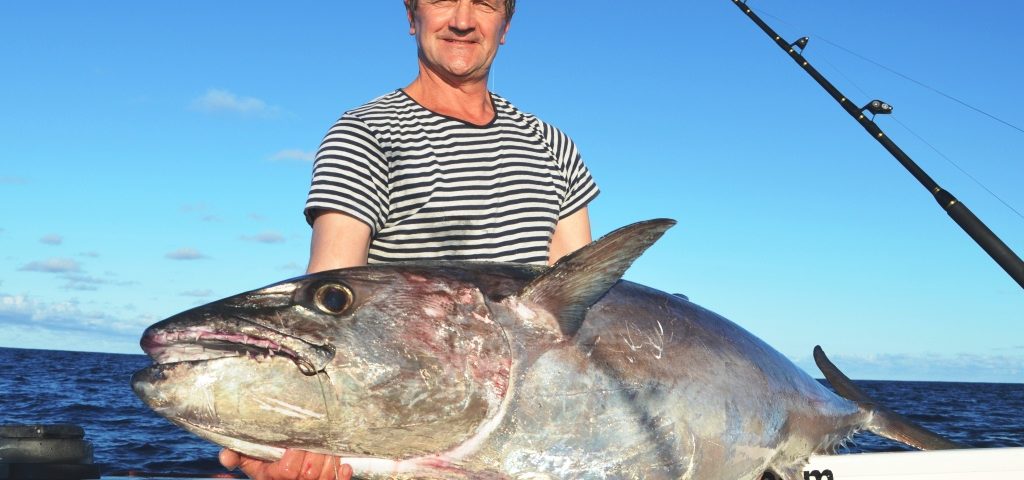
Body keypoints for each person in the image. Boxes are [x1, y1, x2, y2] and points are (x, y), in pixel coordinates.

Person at [220, 0, 599, 478]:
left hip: (527, 444)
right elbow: (327, 307)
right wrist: (292, 437)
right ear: (410, 15)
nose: (462, 20)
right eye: (441, 0)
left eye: (484, 4)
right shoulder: (365, 134)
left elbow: (581, 314)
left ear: (506, 25)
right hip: (416, 443)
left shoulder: (554, 146)